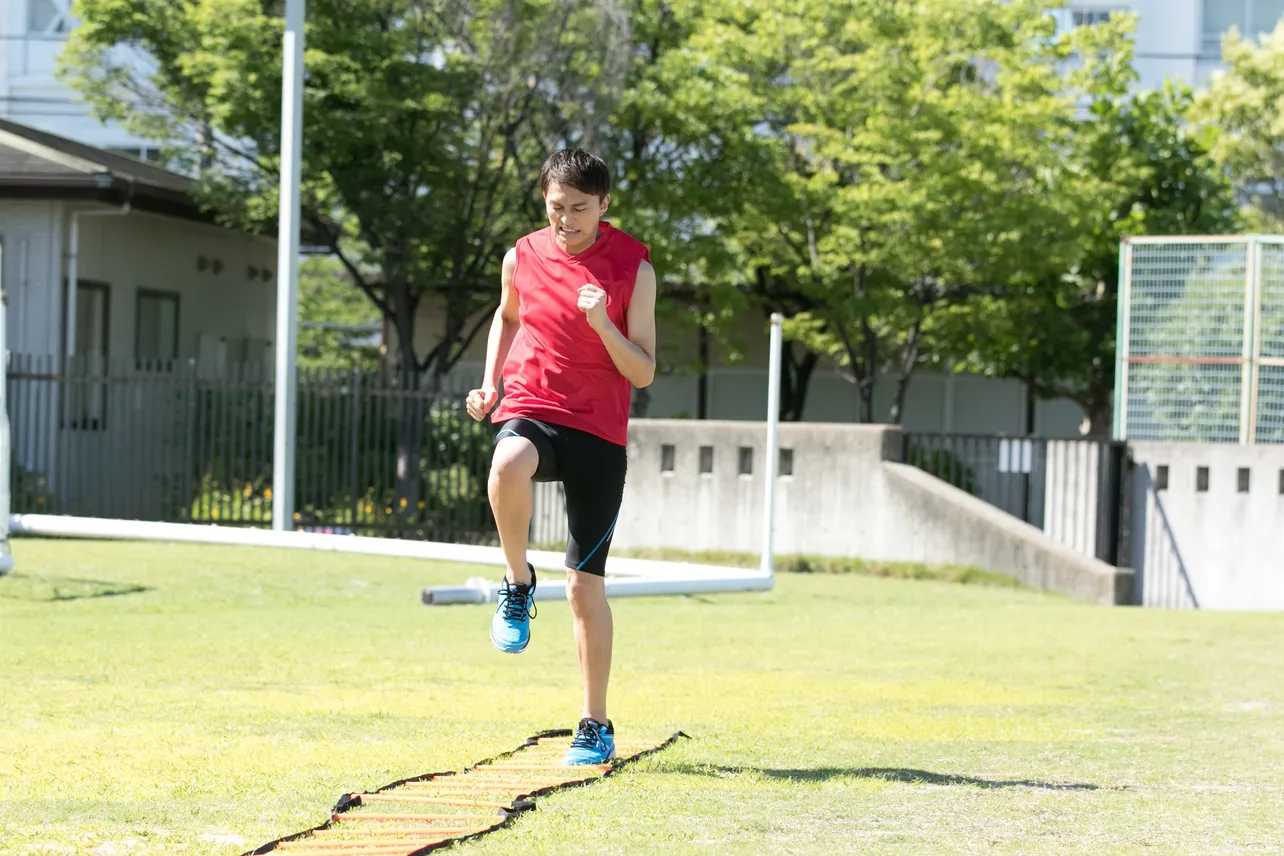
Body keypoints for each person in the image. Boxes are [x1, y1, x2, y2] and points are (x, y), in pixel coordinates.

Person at [464, 148, 656, 766]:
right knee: (505, 462)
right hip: (535, 407)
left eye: (579, 208)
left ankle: (594, 724)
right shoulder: (521, 255)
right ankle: (517, 581)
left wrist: (603, 323)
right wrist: (490, 381)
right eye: (555, 208)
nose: (565, 220)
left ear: (605, 204)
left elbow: (645, 371)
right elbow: (508, 315)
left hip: (600, 435)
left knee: (583, 589)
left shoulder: (635, 268)